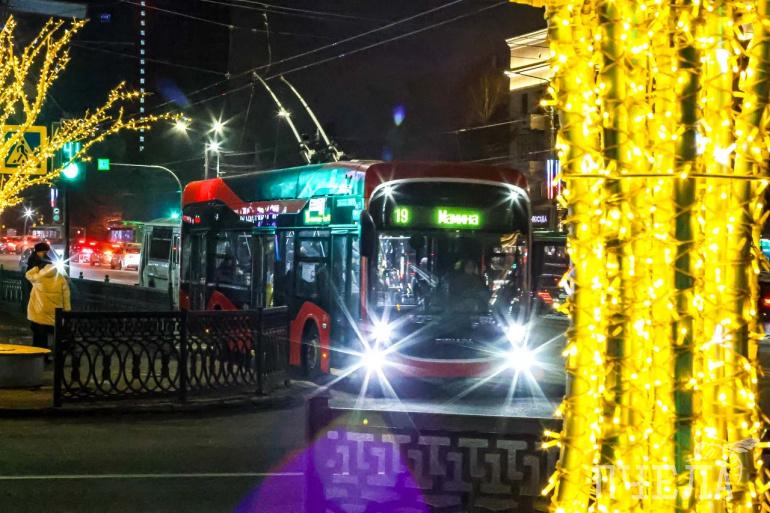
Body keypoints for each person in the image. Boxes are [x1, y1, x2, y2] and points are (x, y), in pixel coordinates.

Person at [25, 243, 71, 350]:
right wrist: (67, 309)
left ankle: (39, 350)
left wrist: (36, 272)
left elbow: (28, 275)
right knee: (45, 329)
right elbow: (66, 292)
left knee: (40, 328)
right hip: (50, 304)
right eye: (44, 251)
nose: (45, 253)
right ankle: (49, 351)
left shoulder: (39, 271)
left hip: (39, 301)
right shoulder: (58, 275)